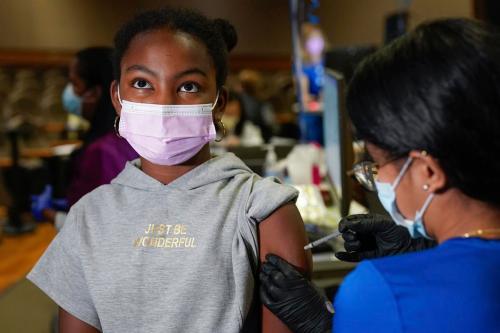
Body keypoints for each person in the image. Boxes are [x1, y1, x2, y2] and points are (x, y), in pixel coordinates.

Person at [28, 7, 311, 333]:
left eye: (188, 86)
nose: (164, 104)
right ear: (118, 98)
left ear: (218, 101)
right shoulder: (87, 218)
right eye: (142, 83)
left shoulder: (264, 210)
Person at [260, 18, 500, 332]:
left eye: (375, 163)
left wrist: (323, 324)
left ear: (428, 171)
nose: (374, 178)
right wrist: (420, 247)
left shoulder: (379, 292)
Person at [31, 47, 138, 229]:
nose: (69, 93)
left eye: (75, 84)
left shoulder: (101, 150)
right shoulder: (131, 135)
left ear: (95, 92)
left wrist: (49, 214)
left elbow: (98, 228)